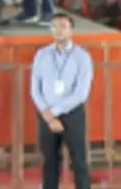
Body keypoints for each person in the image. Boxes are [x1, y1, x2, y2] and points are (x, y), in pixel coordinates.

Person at [30, 13, 93, 189]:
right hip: (46, 114)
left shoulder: (82, 57)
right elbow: (35, 88)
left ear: (71, 30)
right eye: (55, 26)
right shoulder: (41, 55)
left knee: (79, 160)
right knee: (49, 161)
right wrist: (47, 114)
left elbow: (81, 93)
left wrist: (55, 112)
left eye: (63, 26)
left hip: (72, 113)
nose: (58, 30)